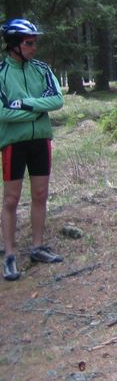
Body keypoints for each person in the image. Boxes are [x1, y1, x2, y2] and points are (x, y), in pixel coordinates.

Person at [0, 18, 64, 281]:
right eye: (29, 43)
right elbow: (3, 112)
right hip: (13, 143)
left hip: (41, 141)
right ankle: (10, 255)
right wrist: (38, 110)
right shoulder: (2, 73)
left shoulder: (42, 69)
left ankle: (37, 247)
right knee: (11, 199)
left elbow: (57, 100)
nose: (34, 47)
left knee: (40, 194)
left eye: (35, 42)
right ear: (14, 44)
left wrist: (25, 104)